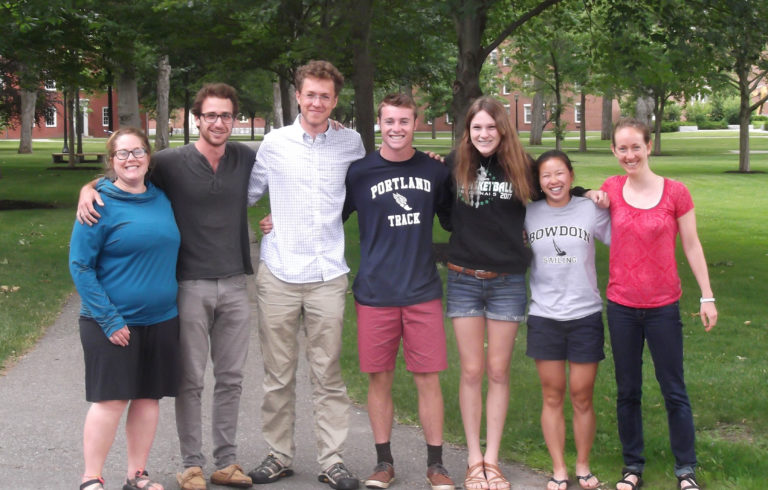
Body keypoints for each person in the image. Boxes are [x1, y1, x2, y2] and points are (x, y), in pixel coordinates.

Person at [77, 83, 256, 490]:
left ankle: (225, 461)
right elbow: (123, 171)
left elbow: (293, 160)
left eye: (226, 115)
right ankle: (190, 464)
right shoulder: (171, 163)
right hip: (189, 286)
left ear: (234, 119)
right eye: (210, 115)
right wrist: (86, 190)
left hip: (232, 283)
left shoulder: (245, 156)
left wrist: (329, 125)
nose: (218, 122)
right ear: (197, 119)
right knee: (188, 380)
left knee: (230, 377)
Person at [246, 60, 365, 490]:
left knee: (327, 371)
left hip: (328, 273)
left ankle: (332, 460)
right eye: (310, 94)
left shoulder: (352, 143)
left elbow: (369, 187)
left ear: (336, 100)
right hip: (279, 271)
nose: (317, 102)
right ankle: (278, 455)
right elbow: (244, 192)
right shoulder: (275, 143)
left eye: (325, 96)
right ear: (298, 96)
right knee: (278, 374)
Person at [342, 93, 455, 490]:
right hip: (375, 292)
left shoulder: (435, 171)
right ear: (379, 122)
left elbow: (456, 219)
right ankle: (383, 462)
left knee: (429, 379)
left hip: (422, 290)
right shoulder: (358, 172)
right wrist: (278, 221)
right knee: (380, 380)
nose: (396, 129)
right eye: (389, 121)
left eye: (404, 121)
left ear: (416, 123)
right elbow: (326, 216)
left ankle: (436, 465)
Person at [602, 118, 717, 490]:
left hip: (663, 306)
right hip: (621, 306)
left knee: (673, 389)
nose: (629, 154)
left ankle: (686, 470)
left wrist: (707, 295)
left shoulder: (676, 193)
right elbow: (577, 207)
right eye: (622, 148)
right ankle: (632, 467)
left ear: (649, 147)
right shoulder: (611, 189)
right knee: (628, 390)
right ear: (614, 151)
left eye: (636, 146)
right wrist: (590, 195)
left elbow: (692, 245)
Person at [70, 127, 180, 490]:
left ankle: (137, 475)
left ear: (149, 157)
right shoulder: (97, 203)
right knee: (111, 399)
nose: (131, 159)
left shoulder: (162, 197)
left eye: (137, 152)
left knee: (148, 398)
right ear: (111, 161)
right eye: (122, 154)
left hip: (162, 320)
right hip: (111, 321)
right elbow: (80, 267)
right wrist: (109, 318)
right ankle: (91, 477)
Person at [443, 96, 533, 490]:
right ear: (468, 131)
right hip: (463, 279)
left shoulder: (523, 167)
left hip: (507, 282)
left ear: (503, 129)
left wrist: (592, 194)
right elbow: (442, 213)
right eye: (476, 127)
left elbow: (556, 188)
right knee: (472, 370)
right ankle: (472, 457)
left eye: (491, 127)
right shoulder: (452, 165)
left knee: (497, 371)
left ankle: (492, 460)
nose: (483, 134)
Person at [524, 150, 610, 490]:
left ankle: (583, 465)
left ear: (571, 176)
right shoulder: (528, 214)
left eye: (559, 174)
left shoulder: (590, 209)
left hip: (585, 314)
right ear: (539, 182)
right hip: (545, 316)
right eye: (546, 176)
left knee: (582, 394)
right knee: (552, 395)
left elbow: (622, 237)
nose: (553, 181)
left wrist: (598, 195)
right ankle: (559, 468)